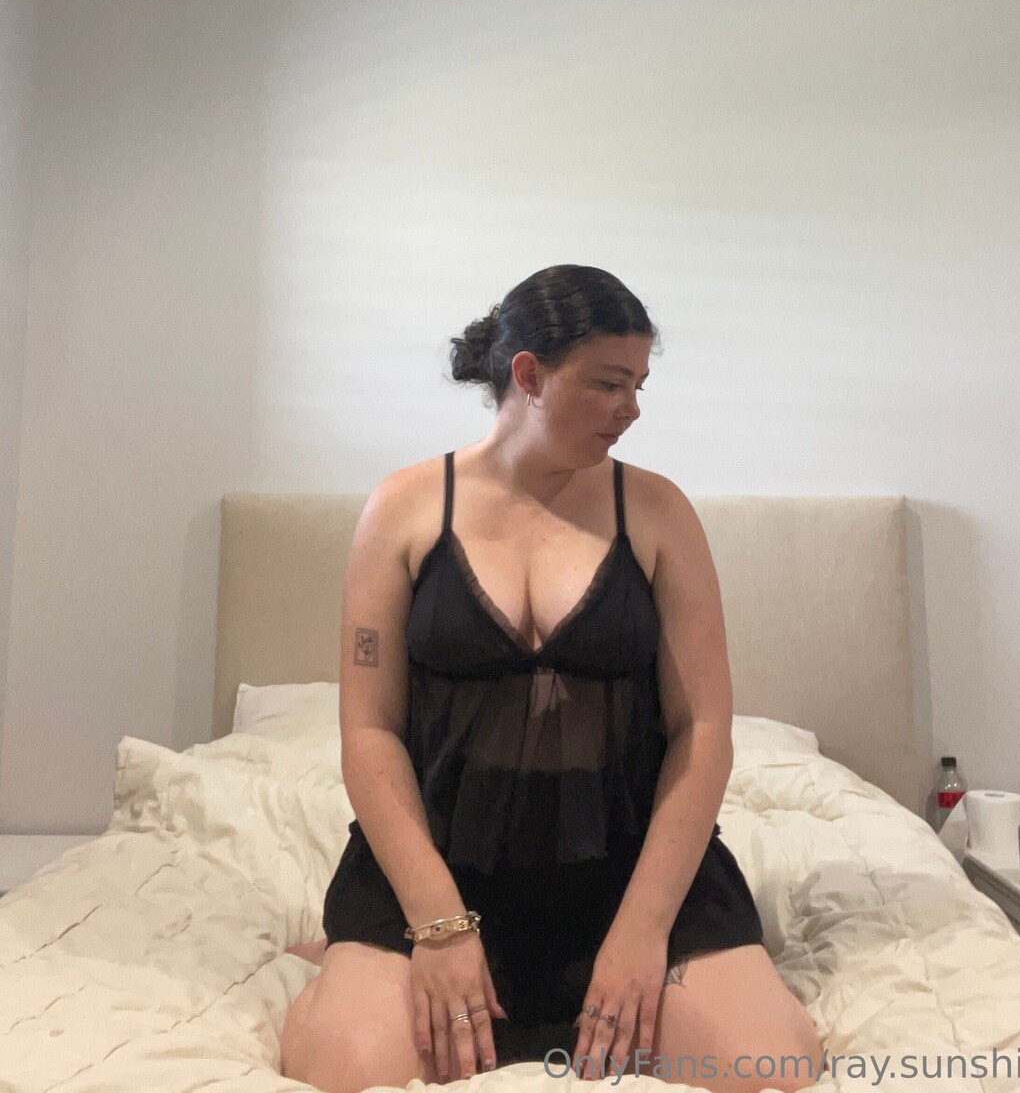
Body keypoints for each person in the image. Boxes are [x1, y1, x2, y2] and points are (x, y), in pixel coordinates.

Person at [280, 265, 823, 1092]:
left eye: (638, 386)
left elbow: (704, 729)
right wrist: (439, 925)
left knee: (768, 1071)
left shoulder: (659, 511)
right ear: (529, 374)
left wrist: (643, 931)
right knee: (346, 1074)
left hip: (629, 867)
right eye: (608, 383)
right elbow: (369, 729)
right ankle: (350, 957)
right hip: (442, 870)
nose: (631, 410)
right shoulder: (403, 507)